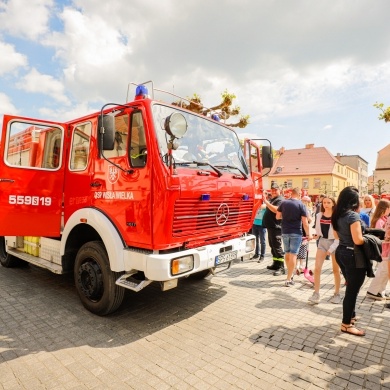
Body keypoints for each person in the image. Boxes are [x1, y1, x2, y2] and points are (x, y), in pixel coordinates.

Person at [331, 186, 366, 337]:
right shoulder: (352, 216)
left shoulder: (337, 215)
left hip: (341, 252)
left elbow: (337, 237)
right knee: (352, 291)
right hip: (353, 255)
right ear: (354, 201)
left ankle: (351, 316)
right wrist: (372, 240)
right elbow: (358, 240)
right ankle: (346, 324)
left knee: (350, 287)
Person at [308, 196, 341, 305]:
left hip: (334, 243)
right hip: (322, 242)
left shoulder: (337, 216)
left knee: (336, 270)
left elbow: (338, 237)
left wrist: (331, 249)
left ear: (333, 204)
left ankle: (337, 294)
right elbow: (318, 232)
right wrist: (314, 236)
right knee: (317, 268)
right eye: (324, 202)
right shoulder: (319, 215)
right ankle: (316, 293)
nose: (325, 204)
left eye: (328, 202)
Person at [276, 187, 312, 286]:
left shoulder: (284, 203)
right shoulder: (301, 204)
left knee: (287, 254)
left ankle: (290, 274)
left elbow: (277, 216)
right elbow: (305, 222)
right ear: (299, 194)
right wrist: (308, 234)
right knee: (293, 255)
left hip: (285, 231)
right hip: (296, 232)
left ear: (291, 193)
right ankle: (288, 279)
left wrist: (286, 217)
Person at [366, 199, 390, 300]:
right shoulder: (380, 221)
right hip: (384, 248)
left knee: (384, 271)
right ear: (385, 209)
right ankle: (373, 291)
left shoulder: (383, 219)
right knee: (383, 271)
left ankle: (380, 291)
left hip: (385, 248)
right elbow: (380, 235)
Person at [263, 183, 285, 275]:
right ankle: (276, 263)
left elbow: (276, 210)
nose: (274, 192)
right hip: (271, 226)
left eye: (275, 190)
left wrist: (266, 201)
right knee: (273, 247)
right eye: (272, 190)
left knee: (277, 247)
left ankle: (281, 267)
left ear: (279, 191)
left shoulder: (280, 200)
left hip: (276, 227)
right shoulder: (273, 199)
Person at [296, 196, 312, 274]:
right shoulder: (302, 209)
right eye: (304, 201)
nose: (305, 203)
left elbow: (309, 220)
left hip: (302, 232)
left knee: (301, 249)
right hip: (301, 231)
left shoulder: (307, 210)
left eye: (306, 202)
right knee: (299, 249)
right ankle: (298, 266)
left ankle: (300, 266)